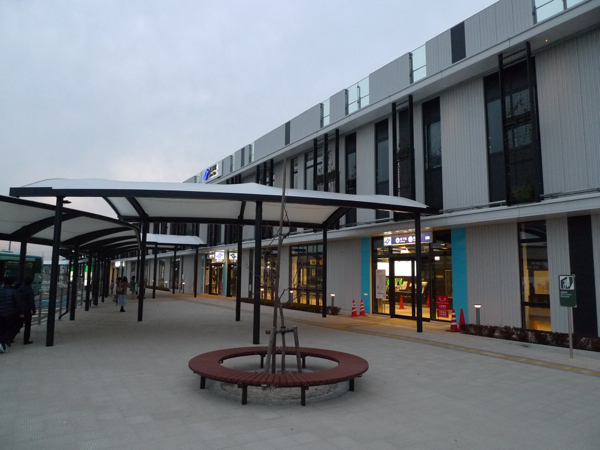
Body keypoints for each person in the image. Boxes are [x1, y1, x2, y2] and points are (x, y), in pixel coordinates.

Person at [15, 277, 36, 345]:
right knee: (27, 325)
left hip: (19, 309)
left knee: (18, 324)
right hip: (26, 309)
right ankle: (26, 340)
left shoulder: (19, 289)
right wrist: (33, 310)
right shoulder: (30, 290)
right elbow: (31, 301)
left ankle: (10, 337)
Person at [0, 277, 18, 353]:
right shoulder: (13, 291)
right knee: (11, 329)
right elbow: (17, 302)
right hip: (10, 313)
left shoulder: (1, 291)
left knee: (2, 329)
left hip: (1, 313)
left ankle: (2, 344)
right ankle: (2, 343)